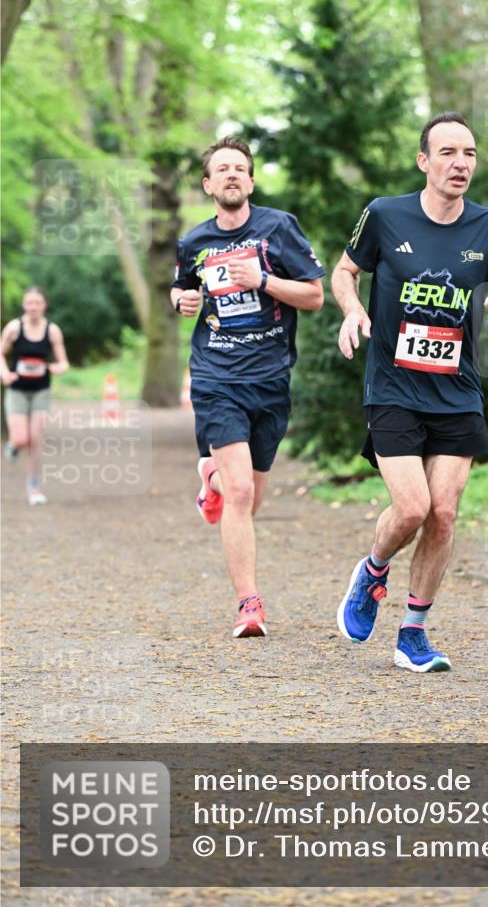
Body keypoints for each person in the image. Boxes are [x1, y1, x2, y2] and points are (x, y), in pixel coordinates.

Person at [332, 112, 488, 673]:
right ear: (424, 161)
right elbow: (345, 273)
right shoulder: (384, 215)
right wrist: (352, 310)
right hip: (392, 385)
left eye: (468, 153)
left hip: (457, 389)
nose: (460, 163)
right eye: (447, 153)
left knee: (443, 512)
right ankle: (372, 571)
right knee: (413, 507)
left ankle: (413, 634)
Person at [171, 135, 325, 639]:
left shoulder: (279, 229)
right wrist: (181, 302)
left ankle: (209, 482)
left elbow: (315, 296)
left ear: (251, 181)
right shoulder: (194, 242)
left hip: (271, 378)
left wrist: (262, 280)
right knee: (240, 492)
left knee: (248, 499)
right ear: (208, 184)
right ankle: (249, 605)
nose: (232, 174)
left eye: (241, 167)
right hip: (216, 375)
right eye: (223, 168)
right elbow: (183, 287)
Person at [1, 287, 69, 505]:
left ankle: (33, 487)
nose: (33, 307)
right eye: (29, 303)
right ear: (24, 305)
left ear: (44, 305)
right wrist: (4, 373)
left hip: (41, 390)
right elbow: (1, 353)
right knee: (21, 438)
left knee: (36, 441)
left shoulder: (52, 331)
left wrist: (59, 368)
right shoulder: (14, 328)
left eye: (37, 303)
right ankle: (12, 445)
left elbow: (63, 361)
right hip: (17, 390)